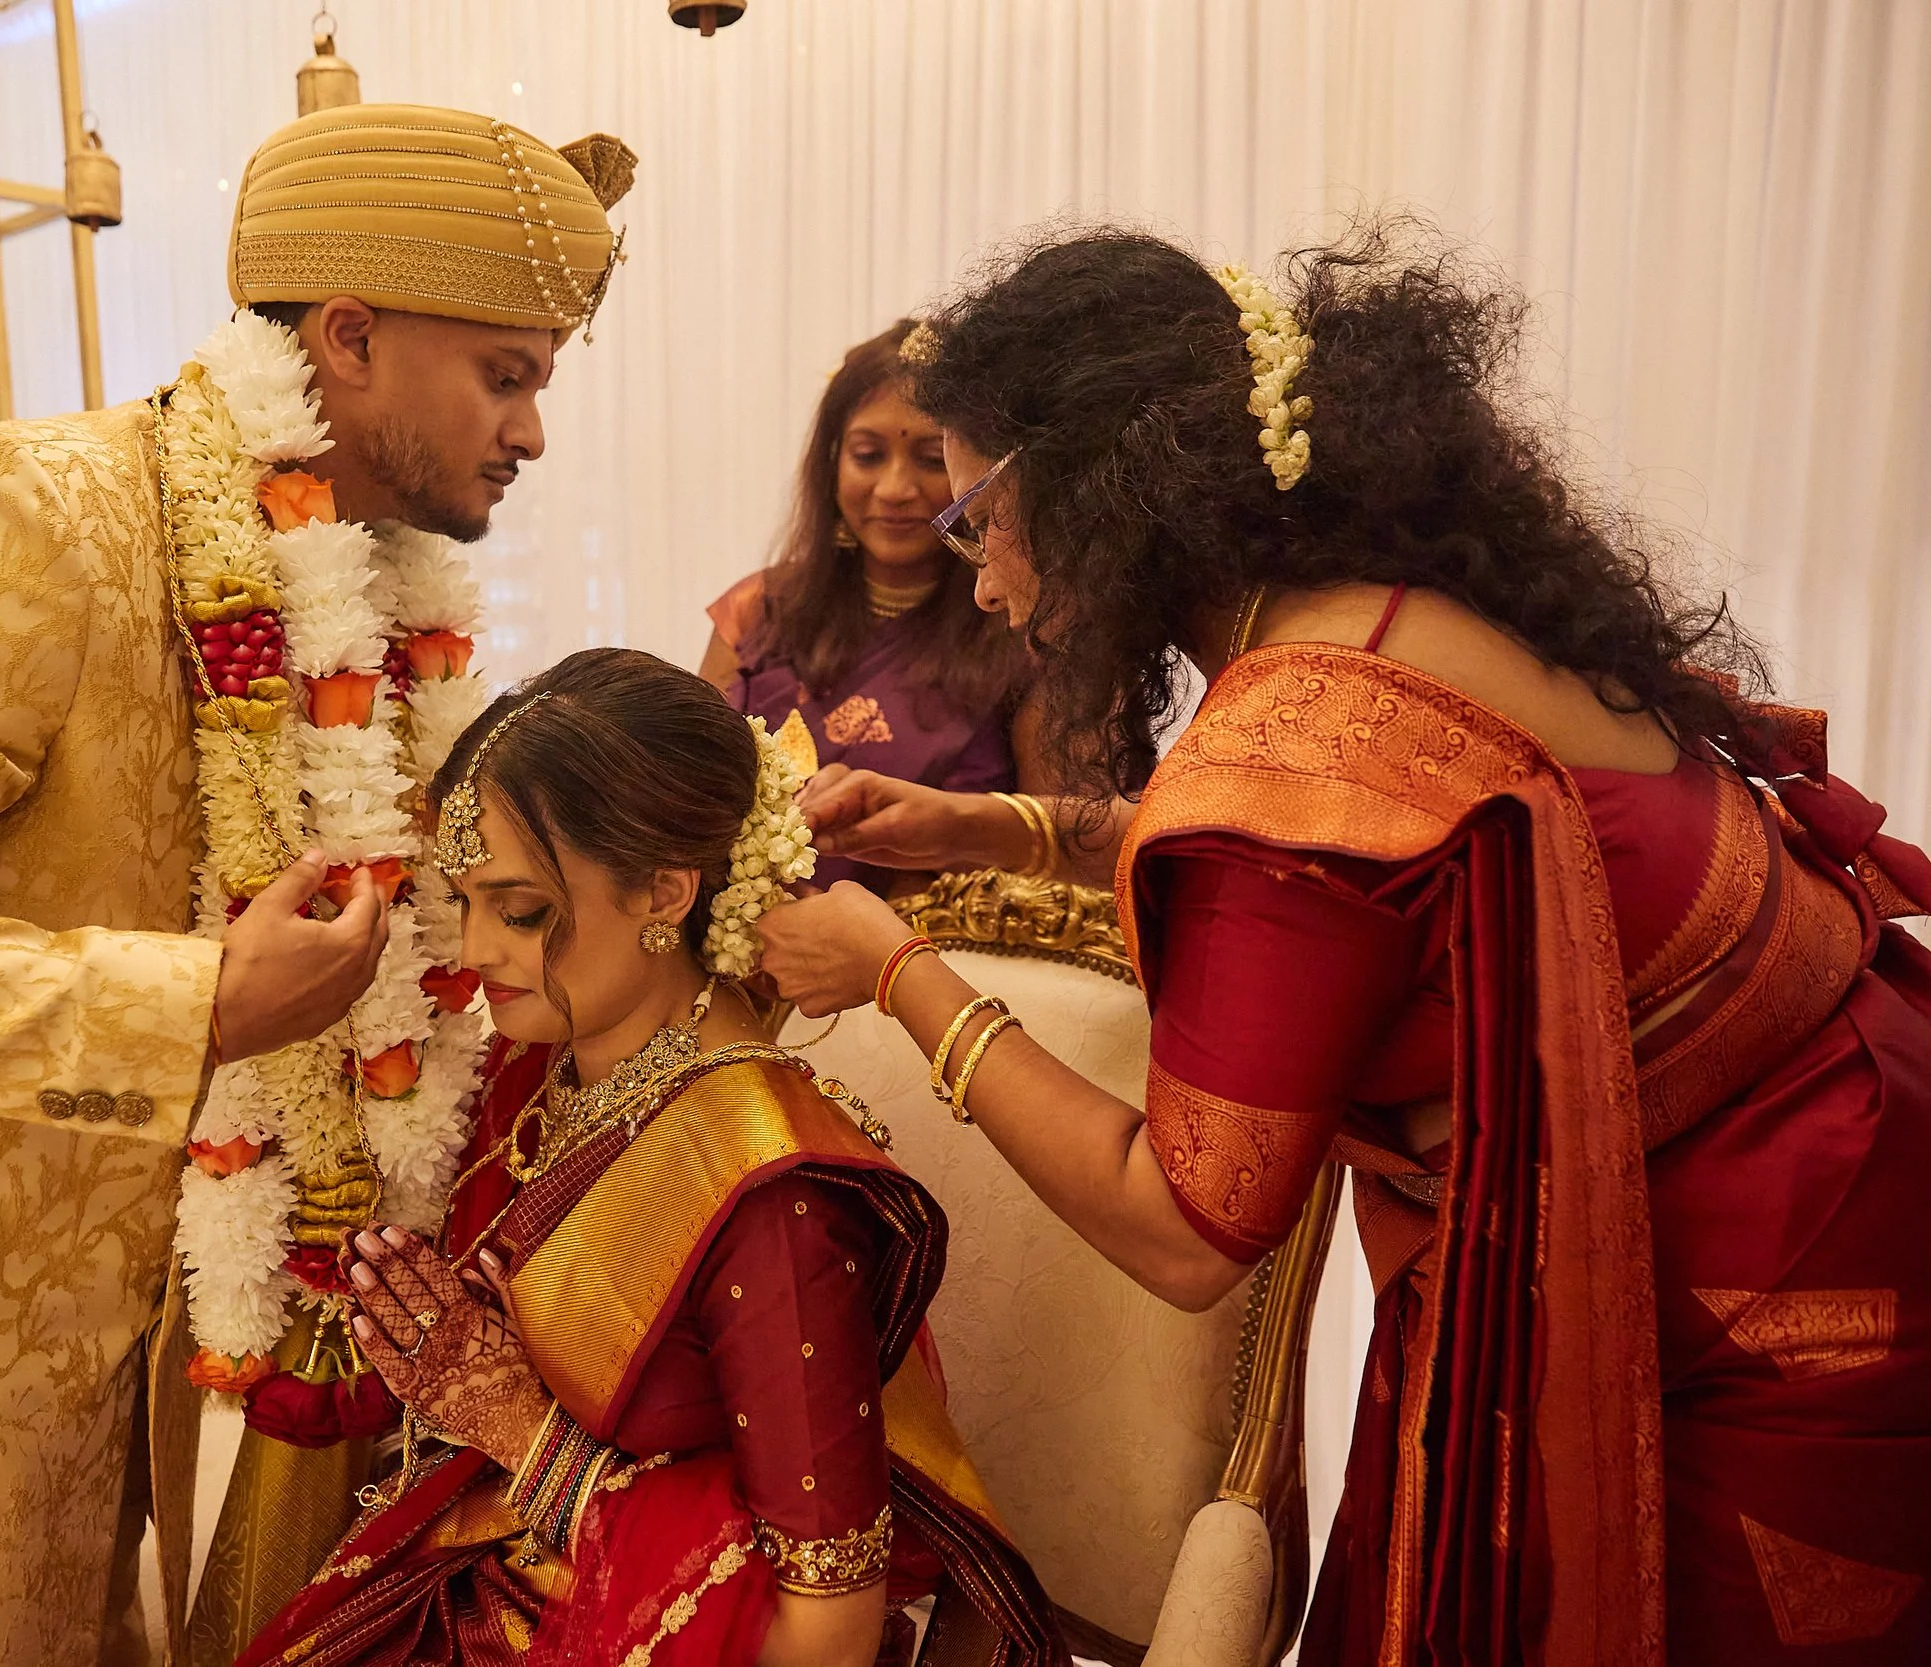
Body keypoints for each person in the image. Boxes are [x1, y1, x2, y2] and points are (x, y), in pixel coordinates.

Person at [756, 220, 1931, 1664]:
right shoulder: (1388, 606)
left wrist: (895, 975)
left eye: (977, 516)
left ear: (1092, 485)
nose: (984, 581)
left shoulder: (1287, 742)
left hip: (1756, 1271)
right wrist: (1000, 828)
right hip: (1852, 1120)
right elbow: (1391, 872)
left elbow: (1185, 1228)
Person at [0, 104, 635, 1667]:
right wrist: (199, 1001)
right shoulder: (20, 512)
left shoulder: (385, 599)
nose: (534, 431)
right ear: (347, 336)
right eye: (508, 374)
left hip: (173, 1370)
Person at [239, 649, 1060, 1667]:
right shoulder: (547, 1073)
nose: (477, 950)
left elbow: (830, 1632)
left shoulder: (772, 1195)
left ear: (666, 890)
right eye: (464, 901)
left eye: (521, 908)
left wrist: (522, 1434)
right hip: (500, 1592)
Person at [700, 321, 1037, 892]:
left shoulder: (1025, 626)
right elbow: (682, 793)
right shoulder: (757, 609)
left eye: (932, 459)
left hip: (945, 962)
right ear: (831, 463)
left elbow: (1061, 847)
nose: (895, 489)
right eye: (867, 455)